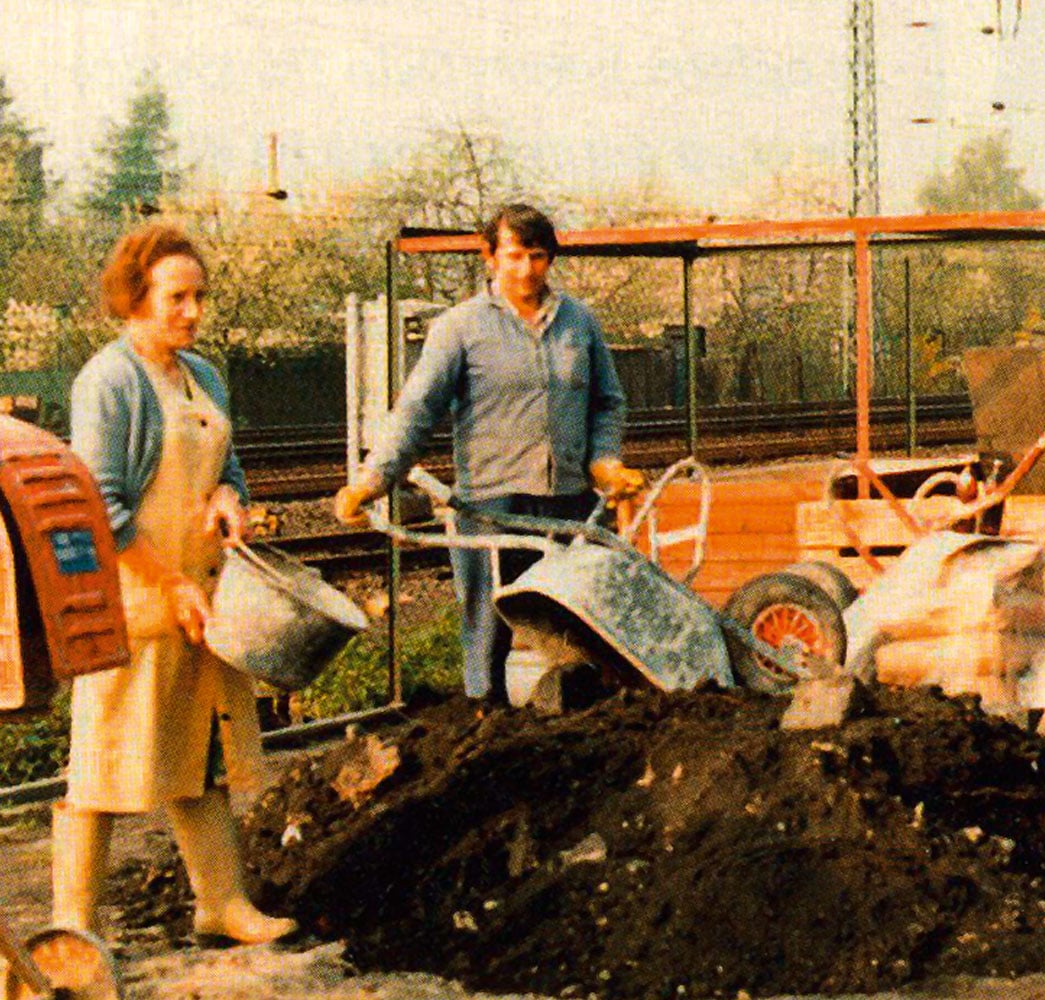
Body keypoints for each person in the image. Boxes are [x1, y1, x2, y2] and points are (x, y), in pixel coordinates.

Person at [56, 223, 295, 943]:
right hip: (133, 600)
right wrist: (167, 585)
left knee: (203, 750)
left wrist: (230, 500)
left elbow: (230, 468)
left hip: (205, 594)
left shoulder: (204, 375)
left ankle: (220, 902)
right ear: (135, 297)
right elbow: (100, 505)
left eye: (199, 297)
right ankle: (72, 924)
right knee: (100, 761)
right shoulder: (110, 380)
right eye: (176, 298)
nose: (192, 312)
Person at [333, 204, 642, 703]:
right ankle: (484, 716)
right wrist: (372, 479)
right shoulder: (460, 328)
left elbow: (607, 402)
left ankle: (587, 724)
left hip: (568, 502)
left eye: (538, 257)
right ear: (490, 257)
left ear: (550, 259)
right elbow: (416, 411)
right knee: (487, 625)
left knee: (581, 624)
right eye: (515, 256)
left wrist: (603, 460)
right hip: (490, 506)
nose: (526, 270)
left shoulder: (578, 324)